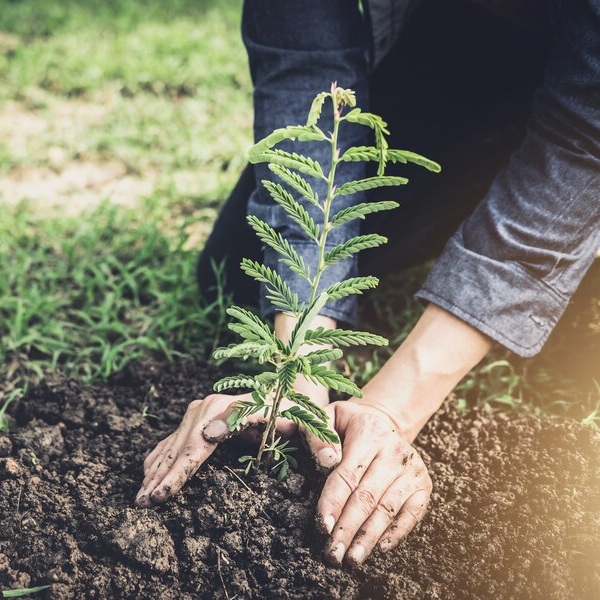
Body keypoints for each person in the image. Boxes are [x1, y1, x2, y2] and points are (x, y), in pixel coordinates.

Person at [136, 0, 600, 567]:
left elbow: (587, 136)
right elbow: (303, 60)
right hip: (465, 35)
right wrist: (298, 368)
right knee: (239, 266)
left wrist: (393, 411)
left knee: (573, 327)